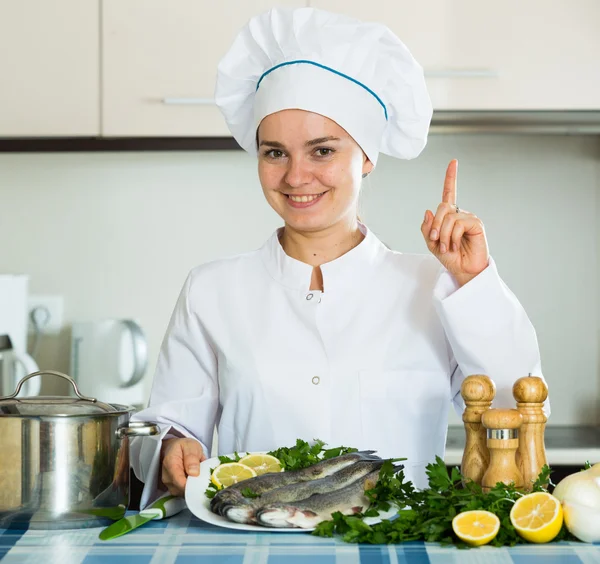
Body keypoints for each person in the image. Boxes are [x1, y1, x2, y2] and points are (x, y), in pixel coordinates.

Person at [130, 6, 549, 508]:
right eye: (274, 152)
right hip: (256, 543)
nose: (295, 176)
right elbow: (168, 428)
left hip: (397, 542)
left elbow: (517, 404)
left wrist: (473, 282)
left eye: (322, 151)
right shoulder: (212, 289)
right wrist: (174, 448)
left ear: (366, 156)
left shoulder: (435, 286)